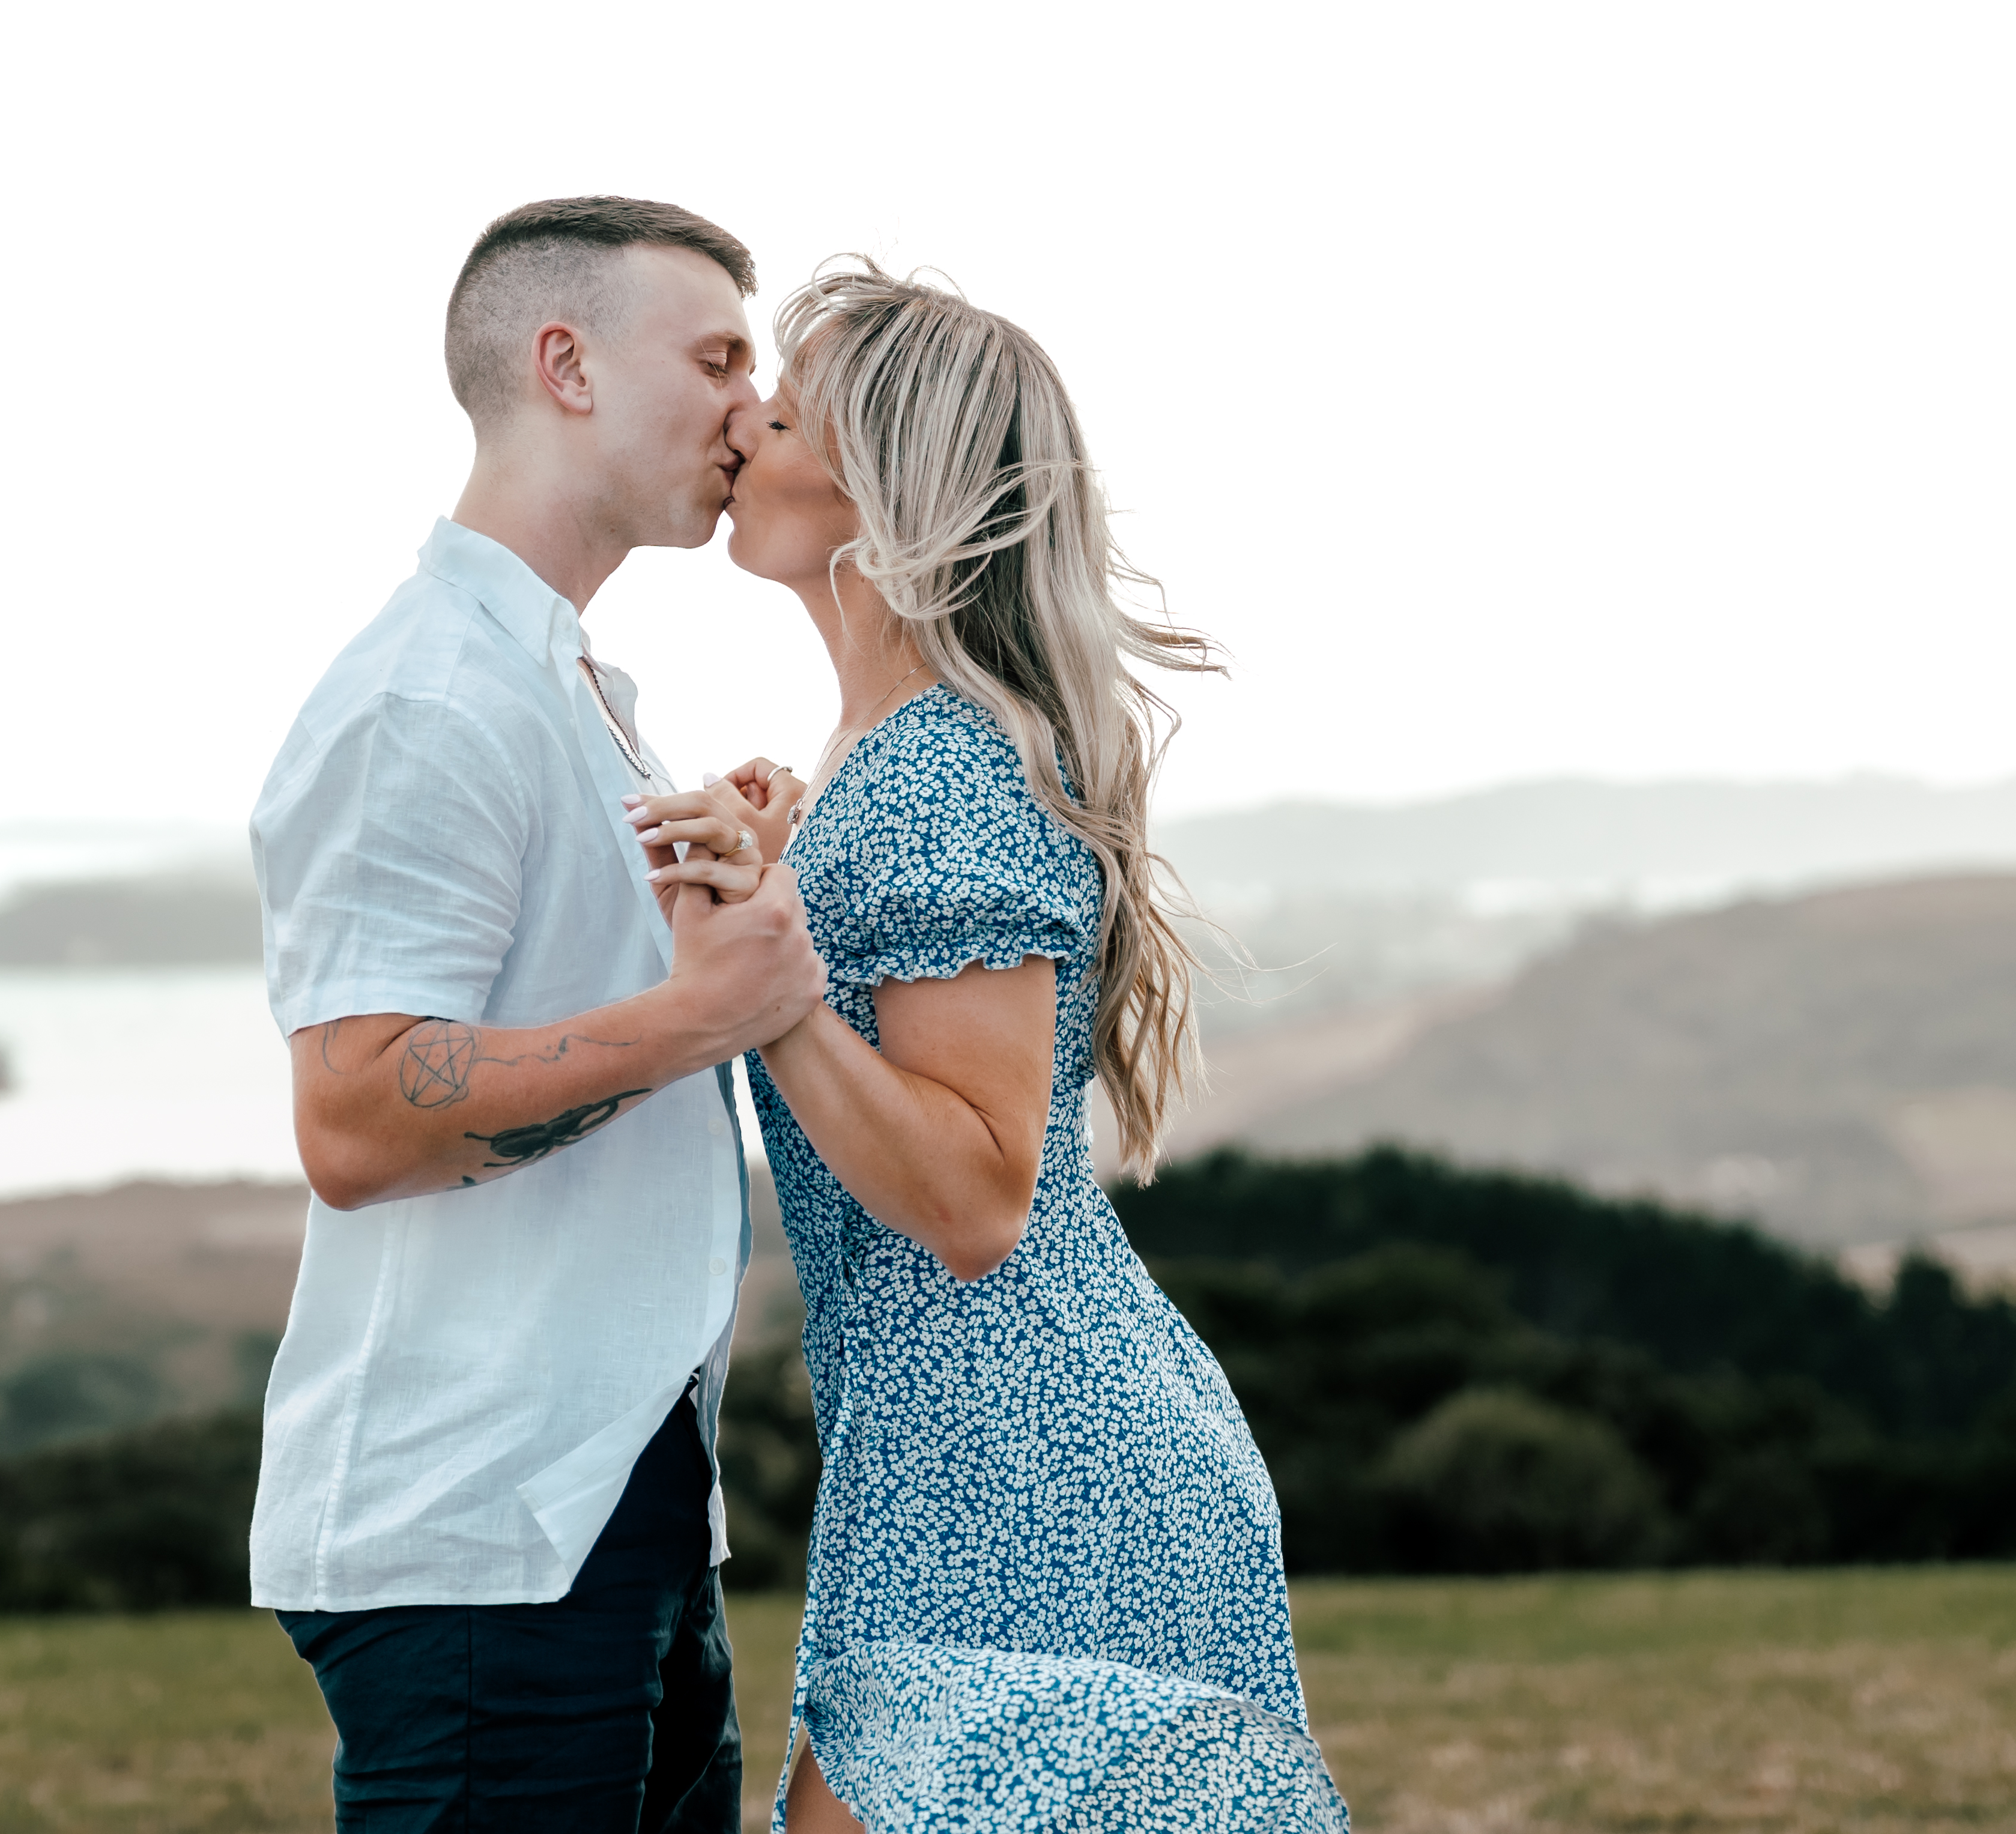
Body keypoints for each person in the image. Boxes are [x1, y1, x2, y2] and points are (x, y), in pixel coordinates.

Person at [627, 262, 1343, 1834]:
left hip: (1045, 1476)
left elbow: (974, 1199)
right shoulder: (889, 756)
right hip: (958, 1468)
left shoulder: (947, 765)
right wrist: (786, 877)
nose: (743, 424)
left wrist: (776, 970)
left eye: (786, 406)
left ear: (885, 486)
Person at [251, 196, 831, 1834]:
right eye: (715, 356)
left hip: (607, 1504)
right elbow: (358, 1119)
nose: (750, 405)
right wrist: (695, 1016)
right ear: (563, 366)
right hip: (478, 1536)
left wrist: (726, 854)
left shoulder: (569, 691)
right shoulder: (425, 699)